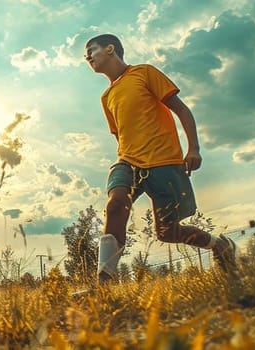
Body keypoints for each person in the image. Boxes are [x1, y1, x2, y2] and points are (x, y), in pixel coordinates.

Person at [83, 34, 238, 283]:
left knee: (167, 232)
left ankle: (219, 246)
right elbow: (120, 135)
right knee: (115, 204)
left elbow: (181, 109)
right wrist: (125, 160)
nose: (87, 57)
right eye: (85, 54)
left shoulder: (144, 73)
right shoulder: (106, 97)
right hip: (127, 161)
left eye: (92, 50)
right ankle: (103, 286)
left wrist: (194, 148)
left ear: (110, 49)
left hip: (164, 162)